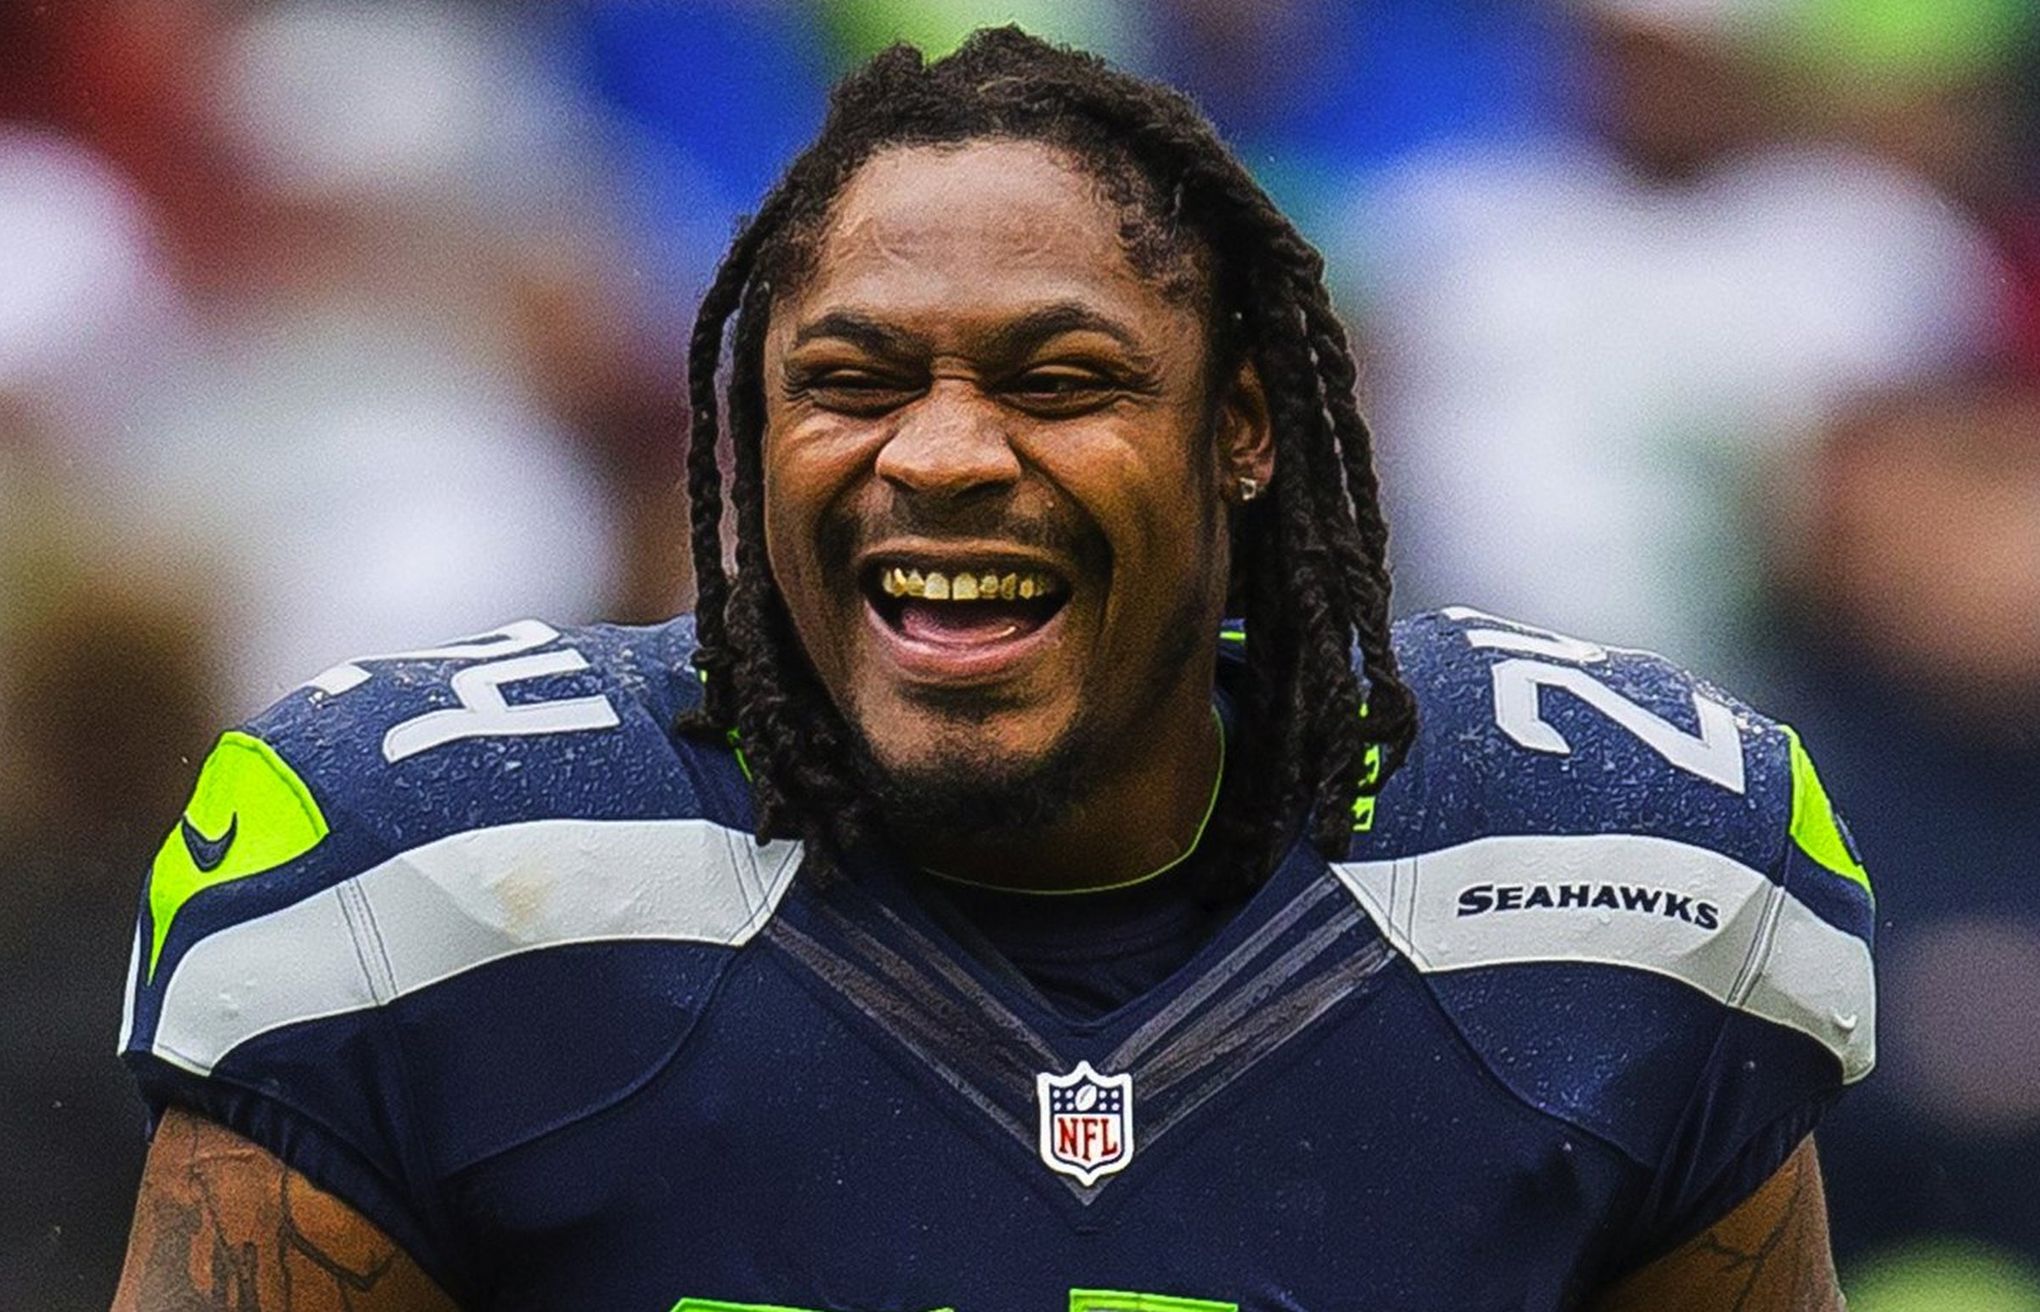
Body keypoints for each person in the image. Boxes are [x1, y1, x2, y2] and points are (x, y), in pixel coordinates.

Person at [109, 30, 1875, 1312]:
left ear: (1240, 429)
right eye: (854, 380)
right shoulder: (425, 868)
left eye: (1059, 378)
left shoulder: (1604, 879)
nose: (942, 453)